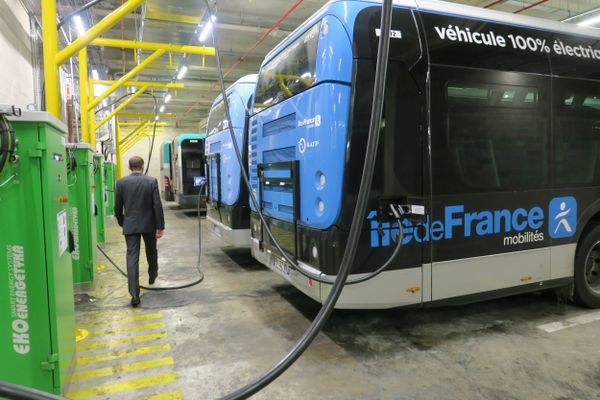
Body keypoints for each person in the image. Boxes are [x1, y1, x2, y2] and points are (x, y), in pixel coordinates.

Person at [114, 156, 165, 307]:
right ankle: (152, 274)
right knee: (151, 250)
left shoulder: (121, 183)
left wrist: (123, 222)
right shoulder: (151, 181)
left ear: (129, 168)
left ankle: (134, 295)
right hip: (149, 224)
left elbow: (117, 207)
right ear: (142, 167)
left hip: (130, 225)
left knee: (132, 257)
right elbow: (157, 205)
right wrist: (160, 226)